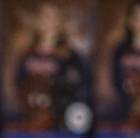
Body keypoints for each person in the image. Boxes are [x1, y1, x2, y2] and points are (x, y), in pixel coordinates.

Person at [15, 2, 89, 130]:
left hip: (60, 122)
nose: (47, 21)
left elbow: (79, 86)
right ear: (37, 21)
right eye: (43, 16)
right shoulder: (27, 53)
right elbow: (18, 83)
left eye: (52, 17)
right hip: (31, 117)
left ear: (59, 22)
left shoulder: (69, 55)